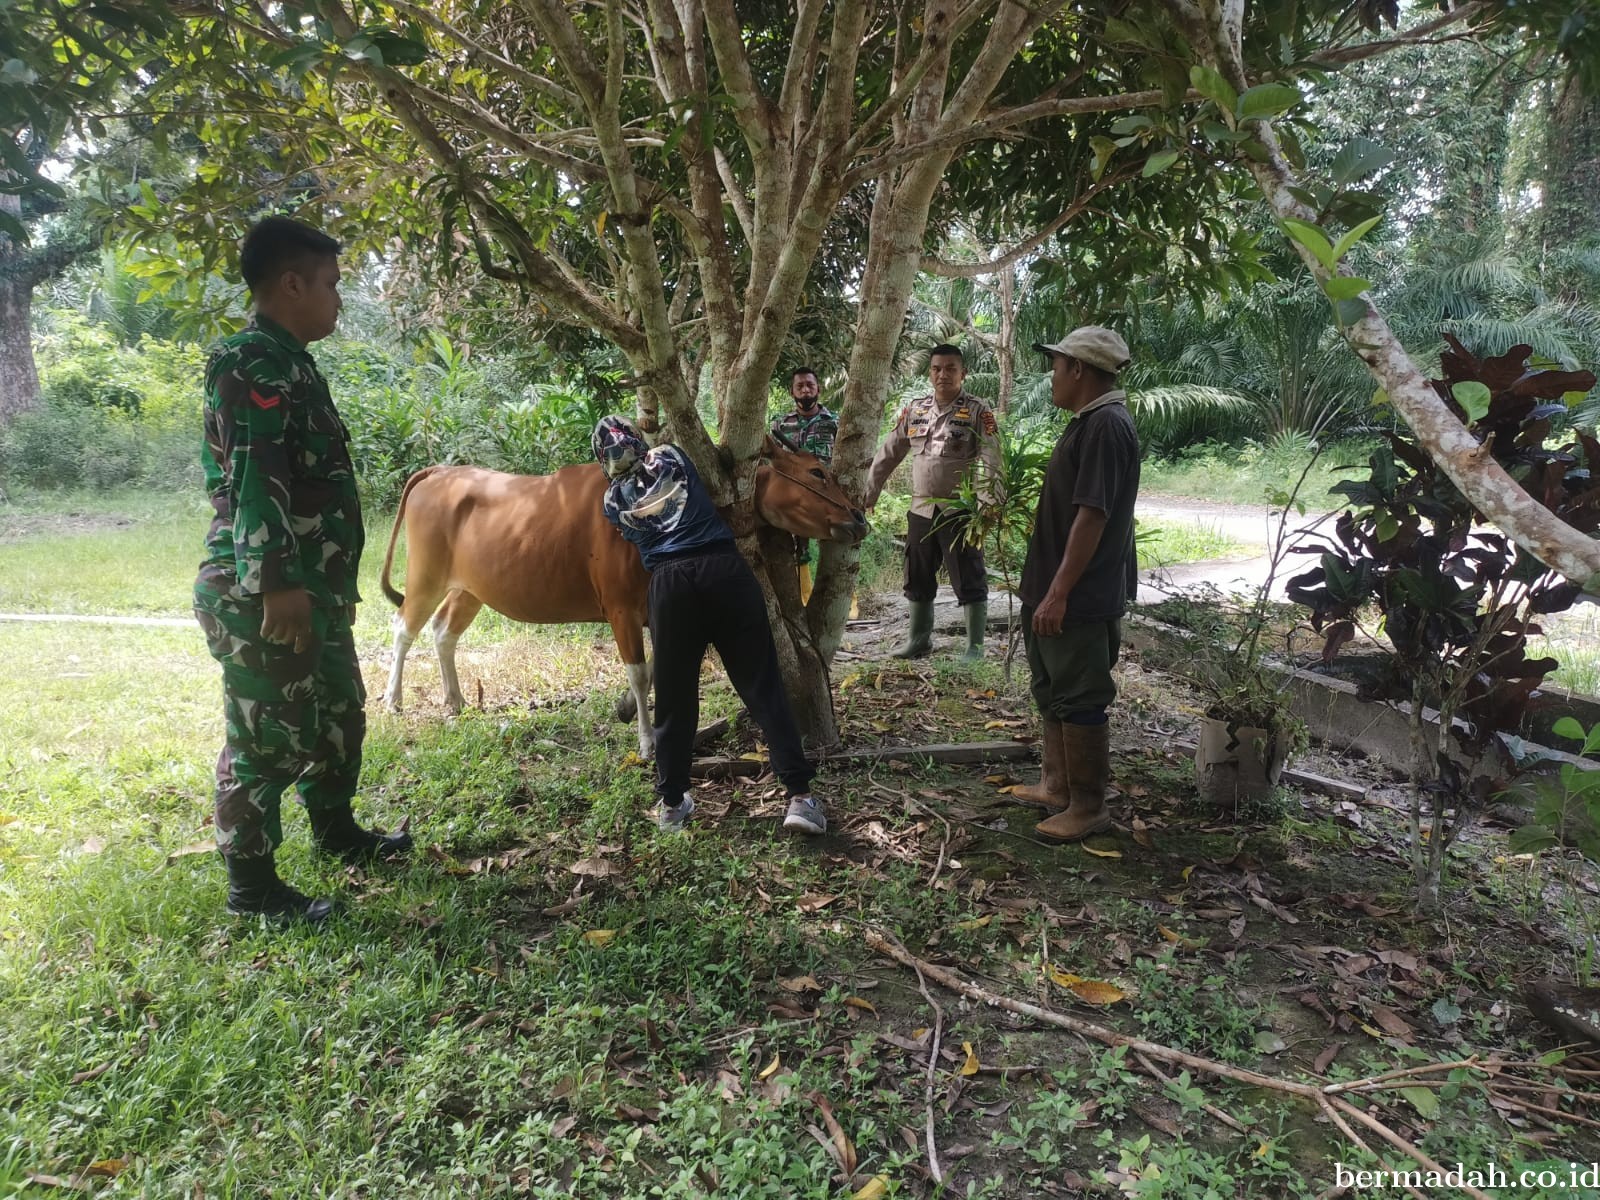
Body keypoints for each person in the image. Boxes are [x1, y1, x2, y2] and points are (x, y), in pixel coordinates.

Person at [194, 216, 412, 925]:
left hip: (312, 588)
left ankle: (337, 832)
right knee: (268, 738)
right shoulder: (249, 362)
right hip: (267, 591)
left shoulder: (290, 361)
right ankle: (252, 890)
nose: (338, 300)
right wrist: (276, 584)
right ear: (292, 284)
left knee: (339, 718)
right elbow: (257, 478)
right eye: (330, 285)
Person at [593, 415, 827, 836]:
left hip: (667, 585)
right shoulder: (669, 456)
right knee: (762, 685)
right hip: (724, 570)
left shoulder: (611, 501)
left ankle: (672, 803)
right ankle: (800, 797)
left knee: (674, 699)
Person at [1016, 326, 1138, 842]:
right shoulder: (1086, 422)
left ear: (1079, 370)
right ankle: (1057, 785)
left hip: (1080, 597)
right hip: (1052, 588)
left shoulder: (1107, 426)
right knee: (1052, 689)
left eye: (1057, 365)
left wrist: (1061, 590)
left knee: (1081, 694)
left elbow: (1092, 515)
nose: (1052, 376)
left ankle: (1089, 805)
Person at [862, 344, 1002, 660]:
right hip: (921, 509)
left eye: (951, 368)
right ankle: (919, 640)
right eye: (937, 368)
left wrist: (988, 502)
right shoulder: (915, 410)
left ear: (963, 373)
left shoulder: (979, 411)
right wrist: (870, 492)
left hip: (959, 510)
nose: (943, 374)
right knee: (918, 574)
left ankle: (974, 648)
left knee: (968, 575)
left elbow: (992, 457)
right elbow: (888, 453)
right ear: (931, 373)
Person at [769, 366, 851, 612]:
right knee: (794, 550)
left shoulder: (834, 422)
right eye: (800, 386)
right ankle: (800, 598)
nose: (805, 390)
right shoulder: (780, 425)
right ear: (792, 391)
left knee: (836, 544)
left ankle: (841, 603)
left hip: (826, 497)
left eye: (810, 385)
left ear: (818, 389)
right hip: (792, 500)